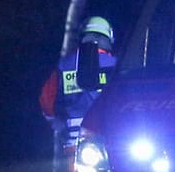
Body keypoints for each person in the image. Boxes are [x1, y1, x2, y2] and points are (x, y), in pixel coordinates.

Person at [38, 16, 118, 146]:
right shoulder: (116, 65)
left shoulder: (64, 65)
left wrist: (56, 123)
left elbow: (46, 100)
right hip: (110, 136)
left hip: (73, 138)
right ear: (108, 38)